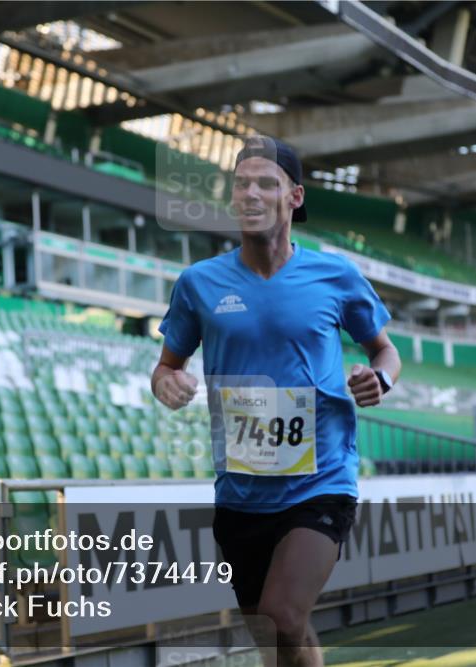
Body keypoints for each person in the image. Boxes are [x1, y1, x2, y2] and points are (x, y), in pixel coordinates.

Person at [151, 136, 401, 667]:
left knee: (283, 615)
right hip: (240, 492)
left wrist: (380, 379)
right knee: (281, 637)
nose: (251, 193)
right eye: (241, 184)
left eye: (266, 183)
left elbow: (385, 351)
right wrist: (166, 383)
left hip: (320, 481)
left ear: (294, 196)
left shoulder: (335, 276)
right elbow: (166, 366)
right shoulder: (199, 283)